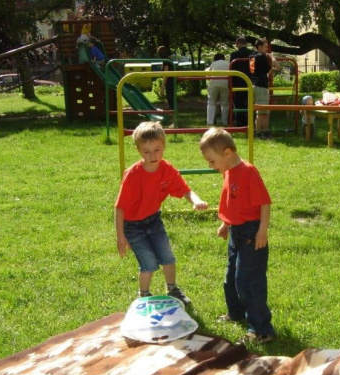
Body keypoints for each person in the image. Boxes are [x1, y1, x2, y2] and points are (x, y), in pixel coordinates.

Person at [115, 122, 208, 305]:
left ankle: (173, 289)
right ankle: (144, 296)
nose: (153, 156)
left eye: (157, 150)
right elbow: (120, 208)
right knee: (148, 263)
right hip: (132, 226)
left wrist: (196, 200)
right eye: (146, 151)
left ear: (164, 146)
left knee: (167, 256)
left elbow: (185, 190)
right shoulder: (133, 175)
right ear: (138, 150)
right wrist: (121, 237)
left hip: (154, 220)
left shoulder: (167, 170)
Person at [199, 128, 275, 343]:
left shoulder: (248, 172)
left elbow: (264, 203)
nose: (210, 166)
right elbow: (231, 201)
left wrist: (262, 230)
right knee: (231, 277)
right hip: (236, 232)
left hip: (252, 233)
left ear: (227, 153)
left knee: (248, 282)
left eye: (212, 161)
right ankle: (236, 313)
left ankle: (262, 330)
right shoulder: (228, 171)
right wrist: (226, 222)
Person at [250, 38, 281, 139]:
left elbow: (257, 71)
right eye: (265, 46)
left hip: (254, 85)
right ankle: (262, 133)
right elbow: (278, 68)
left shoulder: (251, 56)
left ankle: (261, 132)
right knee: (263, 112)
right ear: (259, 47)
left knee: (261, 111)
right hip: (261, 86)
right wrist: (272, 58)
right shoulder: (261, 57)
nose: (267, 49)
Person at [230, 36, 252, 127]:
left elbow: (231, 68)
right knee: (249, 101)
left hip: (238, 81)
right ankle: (249, 119)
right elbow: (253, 68)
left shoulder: (234, 55)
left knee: (239, 101)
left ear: (238, 43)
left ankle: (240, 121)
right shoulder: (252, 53)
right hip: (249, 80)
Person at [206, 53, 230, 126]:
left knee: (211, 103)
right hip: (225, 83)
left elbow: (208, 76)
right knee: (225, 104)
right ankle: (224, 122)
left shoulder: (213, 64)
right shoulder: (228, 63)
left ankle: (210, 122)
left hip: (214, 83)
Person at [157, 46, 175, 110]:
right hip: (170, 81)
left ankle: (172, 112)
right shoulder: (167, 60)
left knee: (170, 98)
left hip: (169, 81)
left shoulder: (166, 61)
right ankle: (172, 111)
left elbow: (166, 74)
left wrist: (162, 86)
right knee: (170, 98)